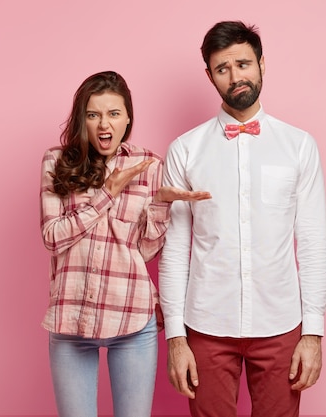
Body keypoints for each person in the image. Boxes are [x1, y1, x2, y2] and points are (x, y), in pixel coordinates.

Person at [159, 21, 326, 417]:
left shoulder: (299, 146)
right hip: (205, 326)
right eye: (223, 68)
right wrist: (177, 338)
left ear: (262, 64)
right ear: (210, 76)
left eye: (243, 64)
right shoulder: (184, 150)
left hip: (281, 324)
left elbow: (313, 242)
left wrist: (313, 334)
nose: (236, 76)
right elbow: (174, 251)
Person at [40, 71, 210, 417]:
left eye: (114, 114)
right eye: (94, 114)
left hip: (132, 317)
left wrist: (161, 204)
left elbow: (144, 250)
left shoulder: (147, 165)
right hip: (72, 318)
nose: (105, 124)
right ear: (81, 119)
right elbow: (52, 237)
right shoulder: (57, 161)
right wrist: (107, 193)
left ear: (128, 118)